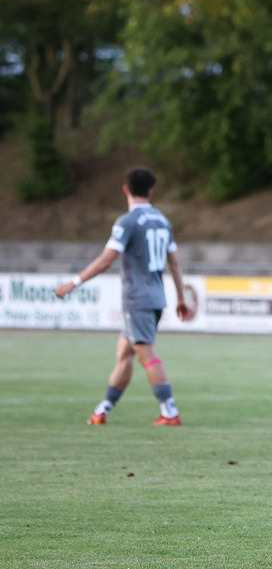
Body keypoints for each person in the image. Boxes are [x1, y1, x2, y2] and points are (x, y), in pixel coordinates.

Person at [55, 166, 190, 426]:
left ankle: (170, 412)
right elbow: (174, 263)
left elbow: (107, 259)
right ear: (151, 191)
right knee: (125, 354)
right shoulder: (163, 221)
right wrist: (181, 298)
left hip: (137, 299)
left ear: (126, 189)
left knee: (146, 354)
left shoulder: (127, 221)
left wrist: (74, 282)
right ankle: (102, 411)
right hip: (155, 298)